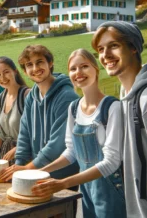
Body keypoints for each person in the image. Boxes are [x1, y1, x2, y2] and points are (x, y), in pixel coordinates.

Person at [32, 49, 126, 218]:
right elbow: (71, 152)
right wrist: (41, 172)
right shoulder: (74, 108)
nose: (78, 73)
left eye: (84, 66)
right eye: (73, 69)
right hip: (87, 191)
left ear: (96, 69)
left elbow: (111, 162)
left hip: (111, 192)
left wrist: (63, 183)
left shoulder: (112, 108)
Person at [92, 21, 147, 218]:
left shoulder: (146, 99)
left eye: (114, 46)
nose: (105, 55)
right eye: (101, 49)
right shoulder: (126, 94)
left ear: (133, 47)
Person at [0, 45, 79, 181]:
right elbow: (24, 135)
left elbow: (57, 144)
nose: (35, 69)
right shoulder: (31, 96)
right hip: (38, 173)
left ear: (50, 63)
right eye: (29, 65)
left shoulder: (66, 96)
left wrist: (28, 168)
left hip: (63, 176)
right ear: (24, 71)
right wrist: (18, 167)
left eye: (40, 62)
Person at [0, 56, 30, 163]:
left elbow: (35, 131)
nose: (2, 78)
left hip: (27, 156)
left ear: (15, 71)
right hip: (7, 156)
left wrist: (17, 148)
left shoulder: (27, 95)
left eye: (6, 72)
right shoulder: (0, 99)